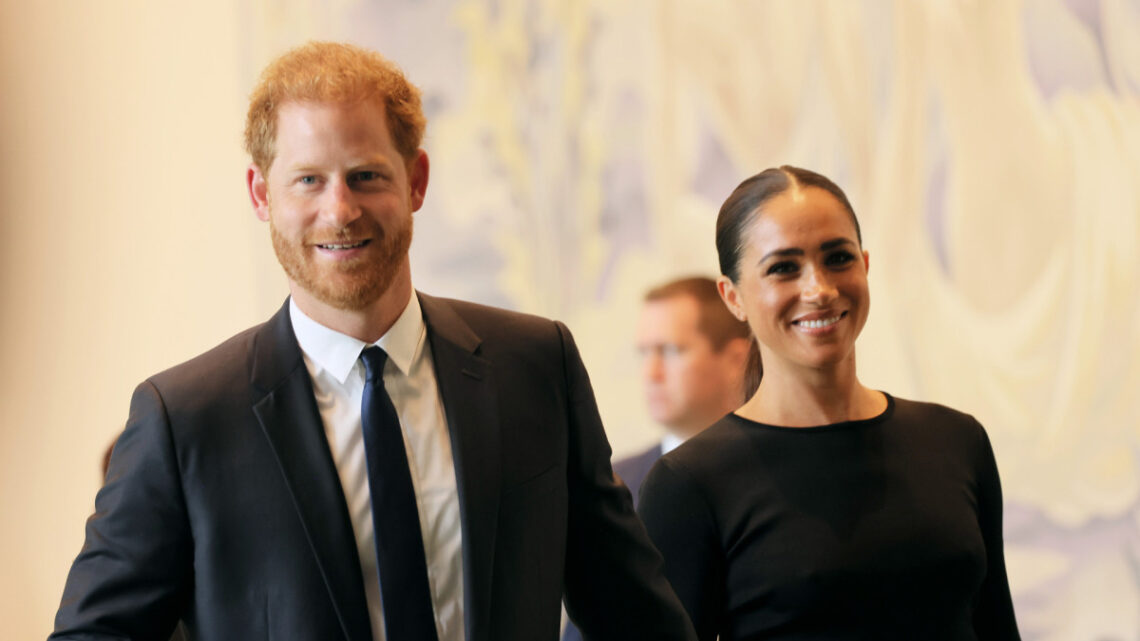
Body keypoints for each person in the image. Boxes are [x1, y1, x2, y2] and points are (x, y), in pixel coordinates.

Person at [51, 42, 696, 641]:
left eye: (365, 176)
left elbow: (635, 617)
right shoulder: (184, 418)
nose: (340, 210)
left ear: (415, 180)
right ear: (260, 194)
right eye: (307, 180)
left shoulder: (534, 366)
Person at [638, 166, 1021, 640]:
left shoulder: (957, 441)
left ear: (864, 264)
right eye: (783, 268)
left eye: (838, 258)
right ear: (733, 297)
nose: (819, 289)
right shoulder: (690, 484)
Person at [562, 276, 753, 641]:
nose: (650, 374)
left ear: (736, 360)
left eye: (670, 351)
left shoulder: (774, 479)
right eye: (644, 353)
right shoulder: (608, 483)